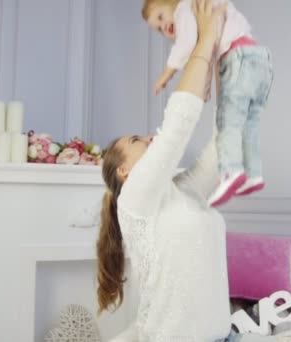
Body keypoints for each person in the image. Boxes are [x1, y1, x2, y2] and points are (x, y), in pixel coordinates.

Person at [97, 0, 232, 340]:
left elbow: (226, 142)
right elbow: (176, 128)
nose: (147, 136)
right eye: (135, 139)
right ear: (124, 171)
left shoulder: (182, 192)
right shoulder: (133, 202)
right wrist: (204, 39)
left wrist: (216, 57)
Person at [142, 0, 274, 207]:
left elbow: (187, 44)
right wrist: (205, 88)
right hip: (258, 57)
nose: (163, 27)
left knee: (227, 121)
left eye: (160, 16)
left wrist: (167, 74)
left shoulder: (185, 9)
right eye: (159, 29)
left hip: (237, 57)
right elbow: (208, 53)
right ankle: (253, 174)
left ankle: (231, 171)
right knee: (249, 123)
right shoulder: (204, 10)